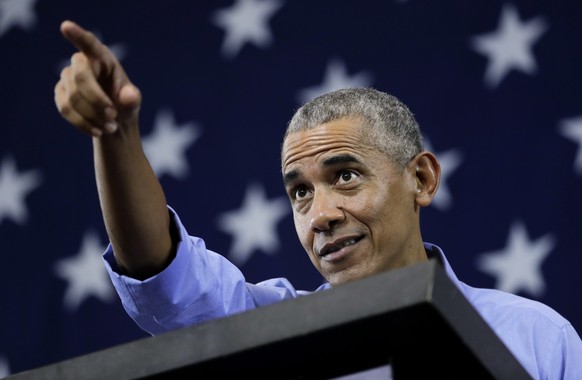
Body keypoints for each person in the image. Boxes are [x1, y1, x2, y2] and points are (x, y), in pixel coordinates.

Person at [54, 20, 582, 379]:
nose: (321, 215)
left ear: (421, 179)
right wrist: (115, 134)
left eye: (346, 176)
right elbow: (164, 276)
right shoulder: (269, 337)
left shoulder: (537, 336)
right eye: (300, 192)